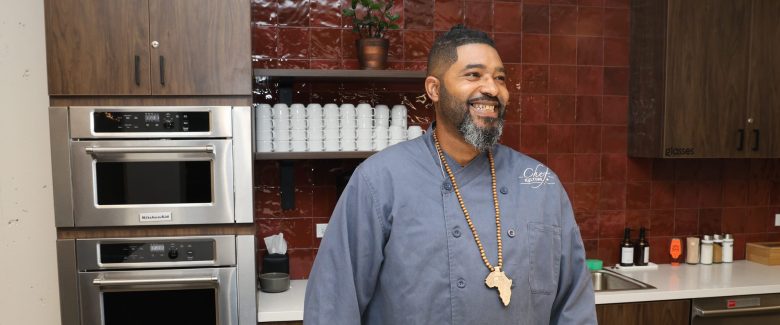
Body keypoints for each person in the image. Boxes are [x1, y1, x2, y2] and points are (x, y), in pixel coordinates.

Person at [304, 25, 596, 324]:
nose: (492, 89)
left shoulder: (541, 184)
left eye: (500, 78)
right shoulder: (379, 181)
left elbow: (575, 307)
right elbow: (332, 307)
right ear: (434, 89)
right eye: (473, 75)